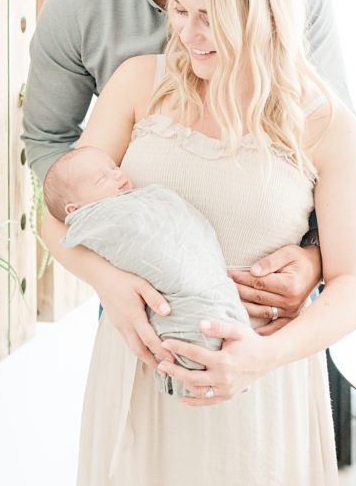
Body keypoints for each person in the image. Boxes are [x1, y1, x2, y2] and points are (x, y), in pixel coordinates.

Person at [43, 0, 356, 484]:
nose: (187, 34)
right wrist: (111, 286)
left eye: (209, 17)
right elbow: (55, 220)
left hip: (260, 390)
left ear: (265, 13)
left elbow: (354, 287)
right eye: (179, 9)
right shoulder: (138, 84)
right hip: (139, 376)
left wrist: (258, 359)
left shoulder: (325, 124)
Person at [22, 0, 354, 369]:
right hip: (143, 293)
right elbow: (49, 141)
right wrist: (112, 268)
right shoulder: (83, 7)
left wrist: (315, 260)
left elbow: (329, 140)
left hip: (268, 306)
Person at [43, 145, 250, 398]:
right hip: (167, 320)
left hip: (238, 322)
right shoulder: (102, 217)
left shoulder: (145, 200)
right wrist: (105, 278)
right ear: (75, 210)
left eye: (115, 167)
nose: (118, 176)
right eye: (102, 179)